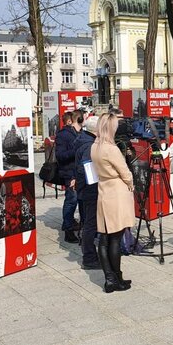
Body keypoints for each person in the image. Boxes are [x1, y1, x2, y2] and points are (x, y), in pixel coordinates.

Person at [91, 114, 135, 293]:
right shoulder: (111, 149)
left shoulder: (95, 146)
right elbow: (125, 172)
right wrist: (131, 183)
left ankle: (111, 278)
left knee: (104, 238)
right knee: (115, 237)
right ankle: (115, 278)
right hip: (116, 191)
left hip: (103, 190)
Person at [74, 116, 101, 270]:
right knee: (90, 224)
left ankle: (89, 255)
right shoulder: (89, 145)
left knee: (88, 223)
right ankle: (89, 258)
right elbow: (85, 168)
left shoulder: (82, 139)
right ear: (96, 130)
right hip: (90, 189)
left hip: (84, 188)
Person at [55, 110, 83, 243]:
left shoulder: (78, 133)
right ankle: (68, 230)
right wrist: (77, 150)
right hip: (69, 173)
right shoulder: (63, 135)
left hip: (79, 173)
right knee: (71, 200)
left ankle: (73, 223)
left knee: (78, 201)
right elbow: (60, 155)